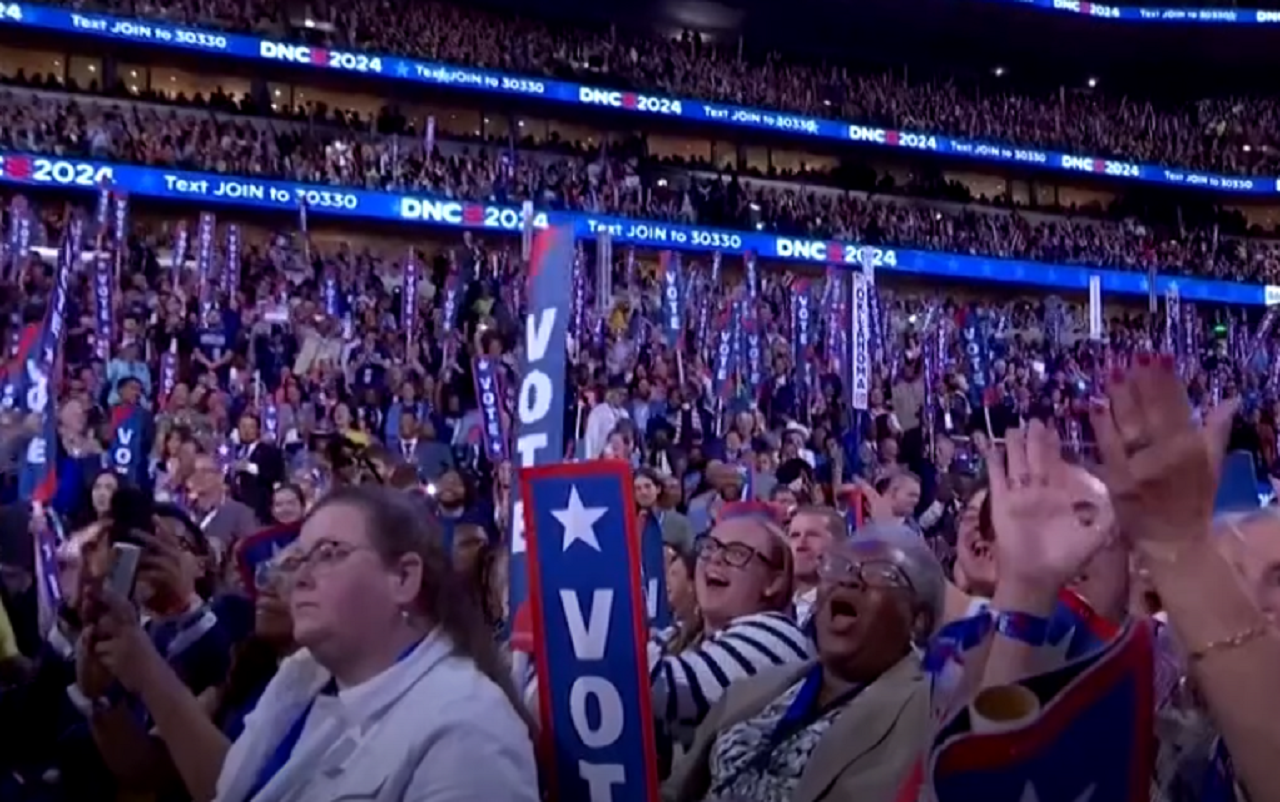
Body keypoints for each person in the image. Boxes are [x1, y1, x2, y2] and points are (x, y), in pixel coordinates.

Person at [209, 485, 538, 802]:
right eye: (298, 561)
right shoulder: (300, 678)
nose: (302, 578)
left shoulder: (468, 733)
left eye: (328, 553)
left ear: (404, 578)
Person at [664, 528, 943, 801]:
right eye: (839, 566)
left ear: (918, 621)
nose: (849, 580)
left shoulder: (931, 713)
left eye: (880, 573)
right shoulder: (750, 692)